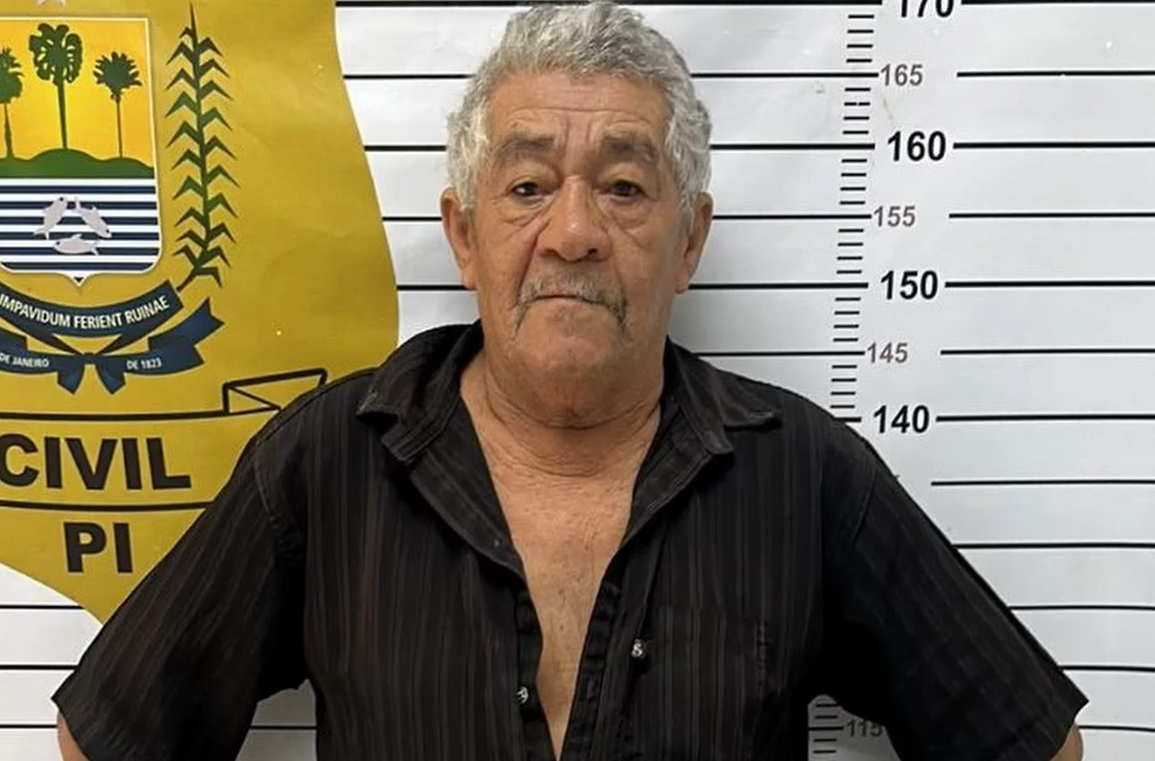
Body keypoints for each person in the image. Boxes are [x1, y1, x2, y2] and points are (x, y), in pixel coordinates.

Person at [54, 2, 1088, 760]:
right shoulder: (327, 464)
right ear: (465, 233)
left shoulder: (805, 477)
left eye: (625, 187)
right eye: (528, 184)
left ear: (689, 240)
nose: (575, 232)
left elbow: (1031, 741)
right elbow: (109, 732)